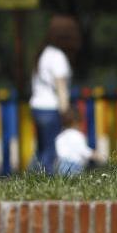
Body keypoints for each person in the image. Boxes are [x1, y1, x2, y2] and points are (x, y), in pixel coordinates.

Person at [29, 16, 81, 175]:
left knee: (41, 149)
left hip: (36, 107)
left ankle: (33, 178)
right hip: (50, 108)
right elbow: (61, 86)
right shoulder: (58, 57)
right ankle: (46, 182)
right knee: (50, 150)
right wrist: (66, 111)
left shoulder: (44, 53)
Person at [54, 107, 99, 176]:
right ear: (76, 122)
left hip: (62, 165)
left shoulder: (60, 136)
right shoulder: (78, 135)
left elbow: (57, 152)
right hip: (75, 165)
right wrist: (95, 155)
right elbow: (84, 151)